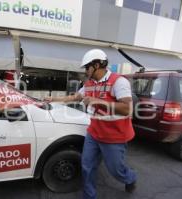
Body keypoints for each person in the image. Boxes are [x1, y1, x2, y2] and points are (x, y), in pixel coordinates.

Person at [44, 49, 137, 199]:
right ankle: (89, 196)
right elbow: (75, 97)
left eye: (87, 67)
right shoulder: (89, 84)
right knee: (87, 166)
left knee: (116, 171)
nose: (85, 71)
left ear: (97, 64)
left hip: (114, 137)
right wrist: (53, 99)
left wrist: (98, 101)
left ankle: (130, 177)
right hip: (93, 134)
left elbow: (127, 109)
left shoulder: (119, 82)